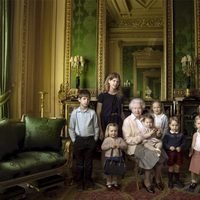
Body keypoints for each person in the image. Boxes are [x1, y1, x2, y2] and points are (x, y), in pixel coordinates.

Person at [122, 98, 166, 193]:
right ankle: (147, 181)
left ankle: (157, 179)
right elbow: (128, 139)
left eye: (139, 108)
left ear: (142, 109)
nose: (137, 110)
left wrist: (158, 133)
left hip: (149, 143)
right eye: (135, 108)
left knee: (162, 154)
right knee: (150, 154)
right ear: (131, 109)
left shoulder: (146, 118)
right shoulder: (127, 121)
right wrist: (141, 138)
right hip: (135, 146)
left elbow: (154, 130)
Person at [68, 89, 99, 190]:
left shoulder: (92, 113)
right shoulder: (75, 113)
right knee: (79, 163)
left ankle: (88, 180)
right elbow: (71, 128)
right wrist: (74, 140)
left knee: (89, 163)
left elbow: (96, 127)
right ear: (79, 100)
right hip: (79, 140)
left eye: (88, 99)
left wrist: (95, 139)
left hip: (90, 140)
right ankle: (79, 180)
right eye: (84, 99)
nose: (86, 101)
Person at [96, 72, 124, 141]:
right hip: (105, 122)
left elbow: (122, 112)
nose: (115, 83)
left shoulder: (120, 96)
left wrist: (125, 124)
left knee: (117, 143)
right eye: (114, 81)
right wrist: (100, 129)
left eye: (117, 81)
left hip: (117, 121)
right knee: (106, 144)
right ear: (109, 81)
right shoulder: (102, 96)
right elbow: (98, 112)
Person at [101, 123, 127, 190]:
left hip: (118, 158)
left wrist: (120, 146)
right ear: (108, 131)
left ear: (117, 131)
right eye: (111, 131)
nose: (113, 133)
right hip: (109, 158)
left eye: (115, 131)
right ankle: (108, 183)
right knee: (109, 171)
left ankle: (114, 182)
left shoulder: (120, 139)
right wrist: (110, 146)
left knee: (116, 171)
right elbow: (102, 147)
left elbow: (125, 146)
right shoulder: (107, 139)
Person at [163, 116, 185, 189]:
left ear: (179, 125)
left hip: (178, 154)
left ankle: (177, 180)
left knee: (177, 167)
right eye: (172, 125)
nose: (174, 127)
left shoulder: (181, 134)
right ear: (169, 125)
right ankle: (170, 181)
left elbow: (184, 143)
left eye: (176, 125)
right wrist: (169, 147)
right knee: (171, 167)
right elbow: (164, 144)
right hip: (170, 154)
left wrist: (180, 147)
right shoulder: (167, 135)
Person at [187, 115, 200, 192]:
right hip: (196, 153)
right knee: (193, 168)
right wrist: (191, 152)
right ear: (195, 125)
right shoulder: (195, 134)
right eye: (199, 123)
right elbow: (193, 144)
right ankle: (193, 181)